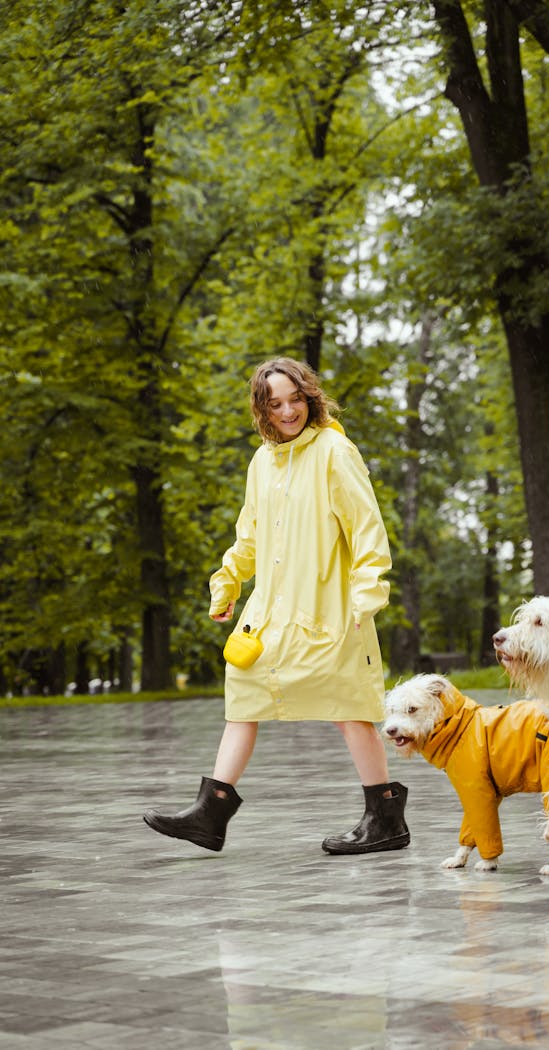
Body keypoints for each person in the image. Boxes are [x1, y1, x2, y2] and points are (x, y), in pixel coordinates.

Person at [143, 357, 409, 855]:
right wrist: (227, 583)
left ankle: (385, 819)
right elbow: (250, 534)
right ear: (262, 409)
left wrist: (368, 593)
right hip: (270, 611)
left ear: (310, 396)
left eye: (295, 399)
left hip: (331, 606)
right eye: (275, 403)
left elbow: (368, 528)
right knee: (244, 695)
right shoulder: (263, 461)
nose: (288, 411)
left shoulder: (335, 450)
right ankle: (211, 813)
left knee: (349, 706)